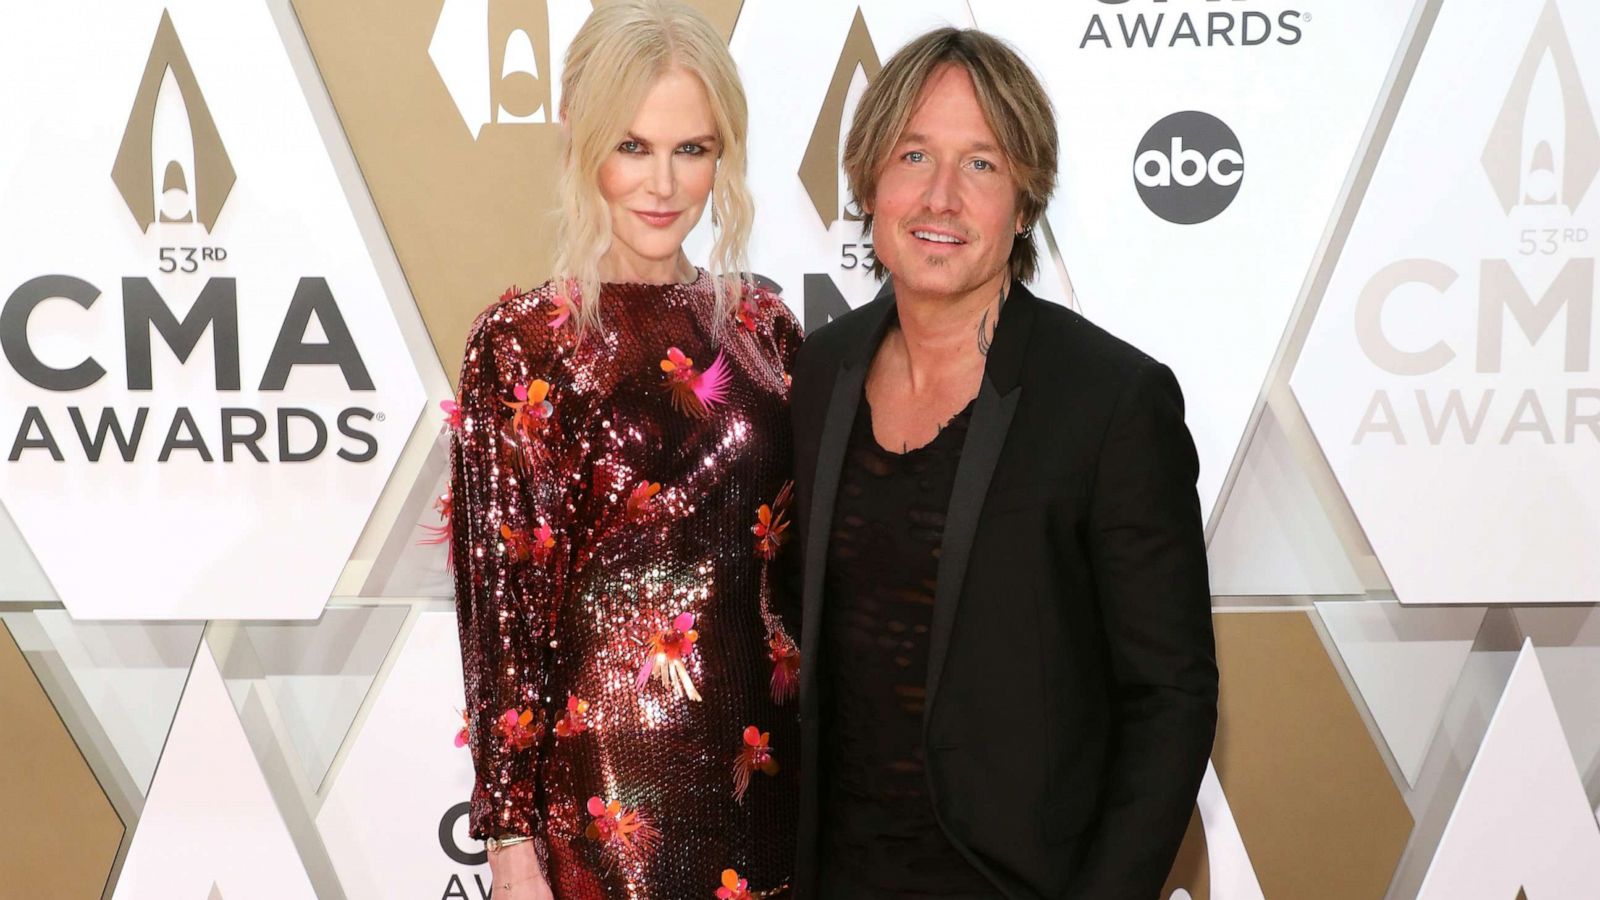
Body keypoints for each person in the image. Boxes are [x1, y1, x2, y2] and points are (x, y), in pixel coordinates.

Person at [787, 27, 1217, 900]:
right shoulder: (819, 371)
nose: (941, 197)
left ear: (1024, 204)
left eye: (980, 165)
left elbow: (1171, 697)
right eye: (914, 155)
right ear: (870, 184)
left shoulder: (1110, 401)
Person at [447, 2, 801, 897]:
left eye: (693, 149)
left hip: (768, 789)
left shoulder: (765, 331)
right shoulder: (525, 345)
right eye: (633, 146)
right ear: (582, 143)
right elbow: (503, 607)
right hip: (602, 806)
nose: (664, 184)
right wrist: (510, 838)